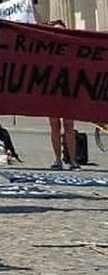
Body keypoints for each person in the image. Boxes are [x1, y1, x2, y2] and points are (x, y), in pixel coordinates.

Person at [44, 20, 80, 170]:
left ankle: (72, 160)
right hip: (52, 90)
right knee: (54, 125)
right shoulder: (47, 50)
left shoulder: (72, 48)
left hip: (68, 90)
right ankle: (58, 159)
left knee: (69, 125)